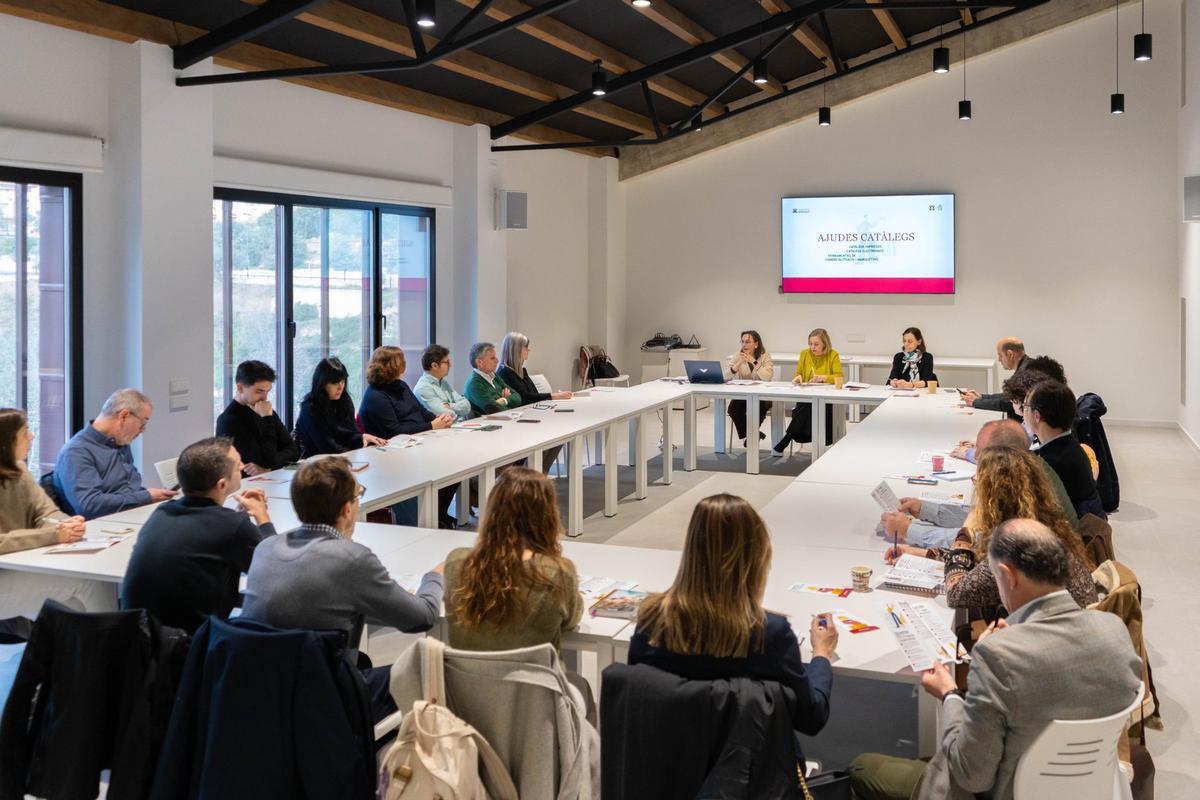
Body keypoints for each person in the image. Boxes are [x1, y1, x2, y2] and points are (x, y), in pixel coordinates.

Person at [850, 520, 1142, 800]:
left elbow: (971, 775)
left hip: (1011, 791)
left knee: (864, 768)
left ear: (1009, 575)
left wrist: (950, 694)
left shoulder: (998, 656)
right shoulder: (1114, 630)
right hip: (1093, 789)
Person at [629, 494, 837, 764]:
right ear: (755, 557)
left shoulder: (651, 620)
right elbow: (812, 717)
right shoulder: (767, 634)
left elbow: (640, 693)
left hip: (668, 771)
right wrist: (821, 655)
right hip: (749, 776)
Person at [241, 457, 444, 722]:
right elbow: (423, 617)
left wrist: (264, 522)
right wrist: (435, 575)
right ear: (347, 509)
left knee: (361, 660)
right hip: (325, 699)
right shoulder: (352, 560)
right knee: (430, 668)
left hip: (263, 691)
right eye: (359, 495)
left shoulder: (265, 549)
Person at [443, 466, 592, 715]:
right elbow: (571, 620)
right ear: (547, 515)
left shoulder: (457, 564)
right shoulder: (556, 572)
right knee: (582, 687)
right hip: (537, 711)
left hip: (470, 710)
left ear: (492, 511)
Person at [886, 446, 1097, 618]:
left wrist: (965, 531)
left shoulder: (1014, 545)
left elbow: (958, 593)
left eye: (977, 482)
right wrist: (926, 555)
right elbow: (979, 562)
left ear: (993, 497)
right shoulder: (1041, 525)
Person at [121, 437, 275, 633]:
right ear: (221, 485)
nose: (243, 466)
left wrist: (237, 518)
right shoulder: (231, 526)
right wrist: (263, 517)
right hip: (192, 647)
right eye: (238, 466)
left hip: (139, 641)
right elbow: (274, 572)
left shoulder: (161, 512)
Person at [883, 419, 1079, 550]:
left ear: (1000, 455)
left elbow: (978, 540)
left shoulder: (1020, 487)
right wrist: (925, 510)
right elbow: (980, 517)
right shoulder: (1028, 468)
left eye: (980, 449)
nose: (975, 456)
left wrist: (910, 531)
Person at [0, 408, 116, 617]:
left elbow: (47, 512)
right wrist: (53, 535)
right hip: (5, 575)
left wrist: (67, 525)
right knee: (87, 580)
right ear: (6, 442)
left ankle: (94, 646)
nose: (32, 436)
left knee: (78, 609)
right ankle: (114, 646)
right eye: (25, 431)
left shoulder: (19, 471)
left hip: (22, 565)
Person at [358, 346, 456, 527]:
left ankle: (438, 514)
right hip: (391, 458)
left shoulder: (400, 386)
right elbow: (394, 431)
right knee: (440, 469)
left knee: (454, 468)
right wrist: (432, 425)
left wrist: (438, 419)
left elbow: (419, 411)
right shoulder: (376, 396)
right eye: (402, 361)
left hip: (417, 444)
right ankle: (425, 521)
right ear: (395, 365)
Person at [53, 388, 176, 519]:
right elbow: (89, 505)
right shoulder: (76, 452)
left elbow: (129, 490)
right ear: (123, 416)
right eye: (143, 423)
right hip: (101, 527)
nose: (143, 430)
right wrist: (146, 496)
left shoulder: (120, 441)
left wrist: (152, 497)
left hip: (130, 516)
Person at [1024, 380, 1106, 519]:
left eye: (1025, 407)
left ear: (1037, 416)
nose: (1023, 412)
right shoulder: (1069, 445)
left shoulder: (1052, 464)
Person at [496, 332, 571, 472]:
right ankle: (529, 475)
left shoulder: (521, 371)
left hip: (530, 416)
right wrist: (553, 396)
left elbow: (533, 394)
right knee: (547, 438)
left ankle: (539, 474)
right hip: (516, 423)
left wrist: (552, 396)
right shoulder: (504, 373)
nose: (529, 350)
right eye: (526, 347)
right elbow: (524, 398)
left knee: (560, 435)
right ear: (516, 349)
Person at [215, 360, 298, 476]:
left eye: (267, 391)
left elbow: (293, 451)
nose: (264, 398)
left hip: (269, 478)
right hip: (242, 486)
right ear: (240, 388)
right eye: (259, 391)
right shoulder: (229, 421)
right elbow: (267, 460)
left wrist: (268, 468)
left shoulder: (265, 411)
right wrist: (267, 419)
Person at [293, 357, 386, 457]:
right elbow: (327, 447)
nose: (340, 387)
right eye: (335, 383)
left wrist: (362, 437)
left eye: (342, 381)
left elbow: (350, 433)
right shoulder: (310, 408)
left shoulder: (344, 399)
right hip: (314, 461)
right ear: (322, 383)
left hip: (339, 456)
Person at [773, 328, 842, 454]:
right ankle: (791, 436)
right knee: (806, 405)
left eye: (816, 344)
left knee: (806, 407)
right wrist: (798, 377)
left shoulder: (833, 355)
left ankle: (789, 435)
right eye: (810, 344)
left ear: (825, 344)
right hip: (807, 395)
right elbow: (798, 372)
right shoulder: (805, 354)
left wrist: (823, 377)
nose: (812, 347)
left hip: (826, 399)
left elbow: (838, 377)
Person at [725, 330, 773, 445]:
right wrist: (739, 363)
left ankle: (751, 435)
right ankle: (753, 434)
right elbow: (726, 376)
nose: (744, 345)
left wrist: (754, 361)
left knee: (760, 407)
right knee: (733, 409)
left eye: (747, 342)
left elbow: (767, 376)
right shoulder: (738, 355)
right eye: (742, 342)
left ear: (756, 344)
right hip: (745, 395)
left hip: (763, 395)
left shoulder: (765, 356)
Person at [961, 337, 1027, 411]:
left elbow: (1009, 403)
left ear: (1010, 354)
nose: (999, 360)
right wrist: (982, 397)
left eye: (1000, 355)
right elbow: (1009, 397)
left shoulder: (1026, 373)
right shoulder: (1027, 367)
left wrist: (976, 402)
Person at [413, 344, 471, 422]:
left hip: (454, 428)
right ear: (434, 366)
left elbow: (467, 406)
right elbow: (446, 416)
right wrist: (459, 414)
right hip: (438, 431)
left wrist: (449, 405)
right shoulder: (423, 388)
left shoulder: (443, 382)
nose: (450, 365)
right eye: (447, 362)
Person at [463, 341, 521, 417]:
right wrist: (508, 401)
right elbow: (493, 409)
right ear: (479, 362)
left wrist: (503, 400)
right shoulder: (474, 383)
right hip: (487, 424)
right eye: (492, 358)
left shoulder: (494, 376)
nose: (497, 361)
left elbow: (518, 397)